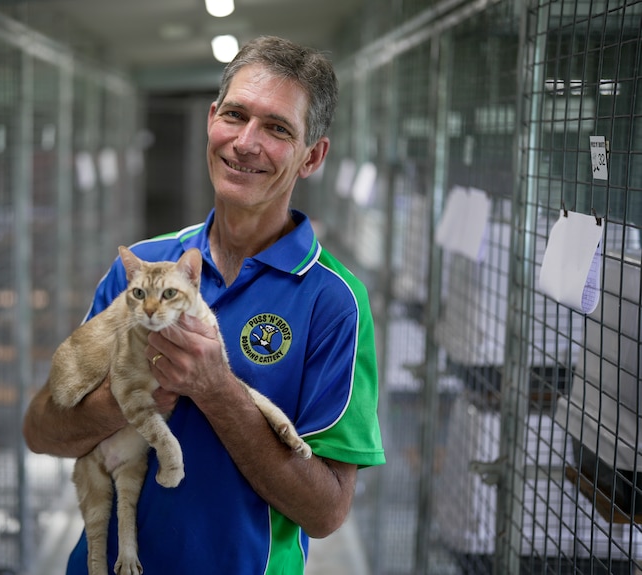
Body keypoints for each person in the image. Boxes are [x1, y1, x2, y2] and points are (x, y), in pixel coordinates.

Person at [23, 35, 385, 574]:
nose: (245, 142)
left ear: (313, 155)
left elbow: (326, 510)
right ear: (210, 120)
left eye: (278, 128)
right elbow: (41, 429)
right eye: (235, 115)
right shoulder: (143, 269)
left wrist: (215, 390)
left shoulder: (334, 301)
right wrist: (133, 395)